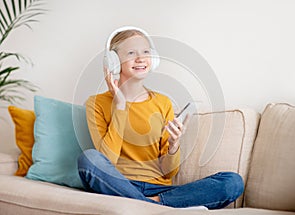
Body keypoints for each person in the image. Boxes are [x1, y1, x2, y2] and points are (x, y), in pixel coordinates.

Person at [77, 26, 244, 209]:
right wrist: (120, 106)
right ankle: (156, 208)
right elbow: (108, 158)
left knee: (232, 181)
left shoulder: (163, 103)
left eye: (146, 52)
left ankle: (149, 205)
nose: (141, 58)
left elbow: (168, 172)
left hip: (159, 190)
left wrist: (173, 146)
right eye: (131, 53)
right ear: (114, 62)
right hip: (117, 185)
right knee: (89, 159)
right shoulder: (96, 103)